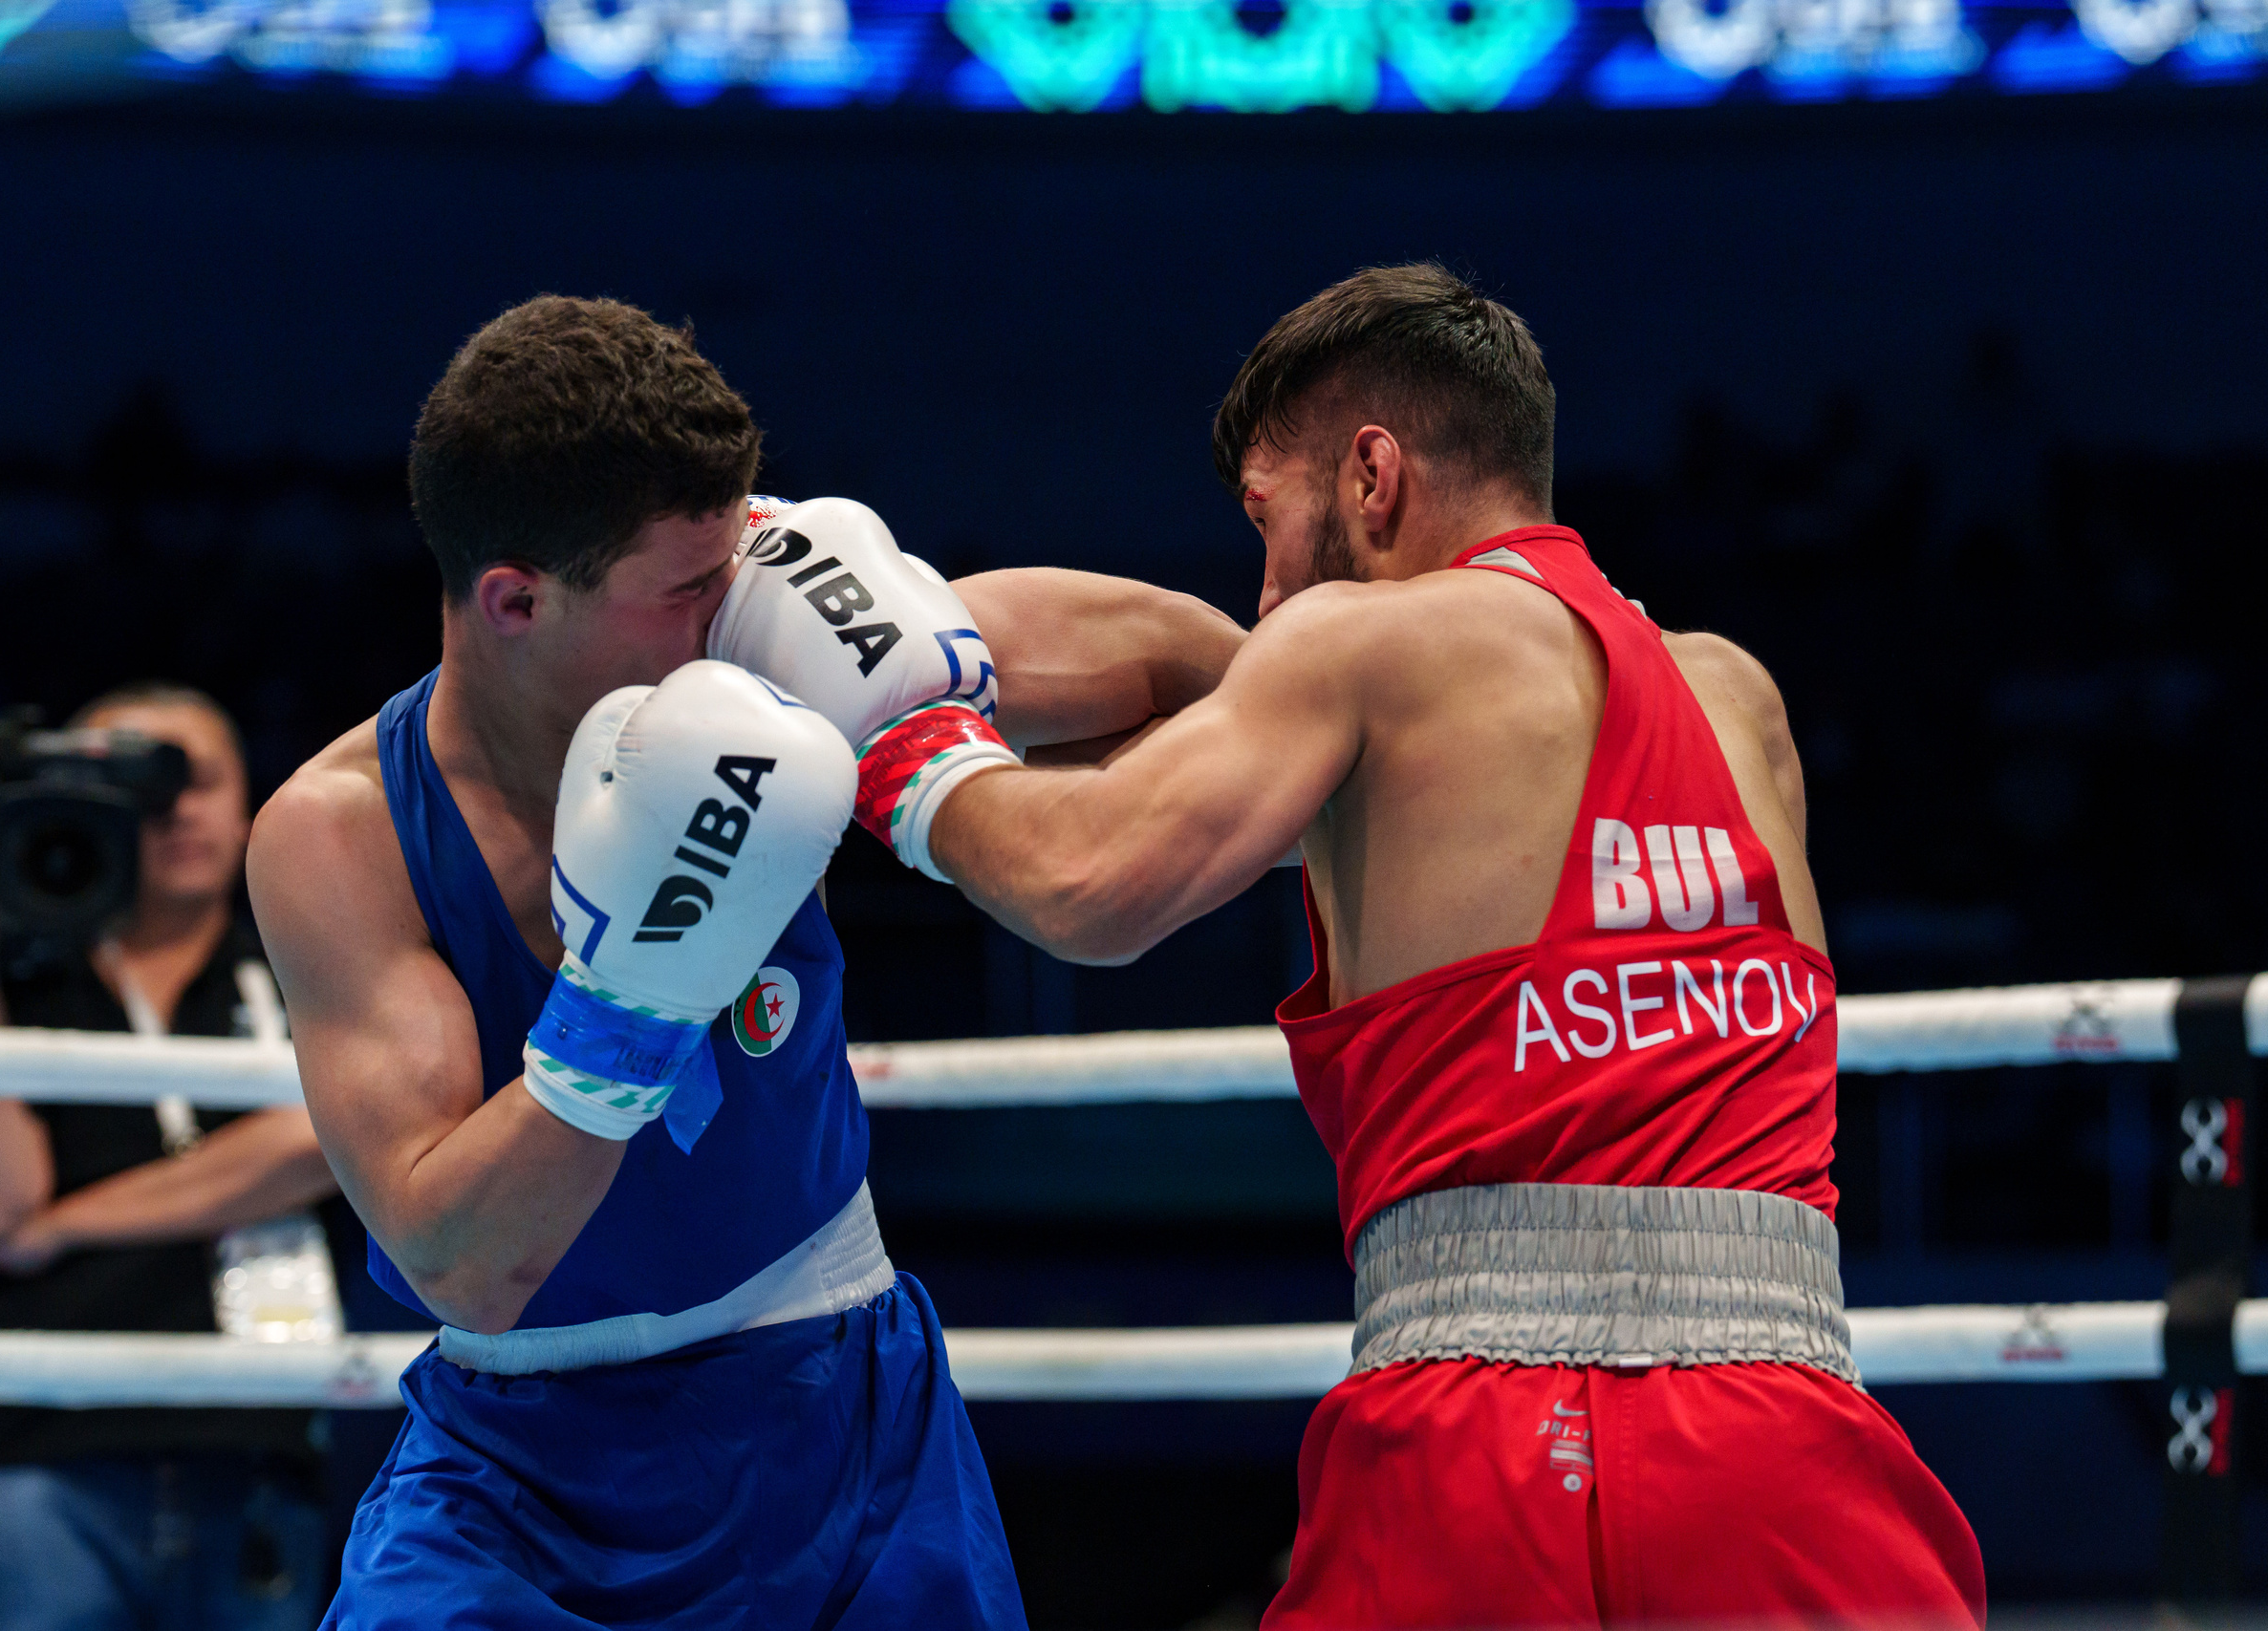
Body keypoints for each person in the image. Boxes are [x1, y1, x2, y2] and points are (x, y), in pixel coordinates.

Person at [739, 264, 1987, 1627]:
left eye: (1269, 520)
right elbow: (1188, 673)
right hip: (1797, 1436)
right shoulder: (1735, 695)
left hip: (1492, 1433)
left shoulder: (1355, 652)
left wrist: (896, 738)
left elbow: (1088, 877)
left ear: (1373, 474)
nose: (1271, 590)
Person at [245, 294, 1242, 1629]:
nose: (743, 605)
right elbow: (461, 1258)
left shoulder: (768, 638)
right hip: (516, 1482)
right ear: (516, 598)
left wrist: (927, 732)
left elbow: (1204, 679)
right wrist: (636, 993)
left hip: (841, 1418)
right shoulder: (346, 836)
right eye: (691, 585)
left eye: (745, 549)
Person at [0, 681, 343, 1631]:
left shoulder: (314, 959)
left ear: (251, 802)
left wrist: (56, 1227)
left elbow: (324, 1136)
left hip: (254, 1450)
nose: (174, 807)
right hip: (32, 1453)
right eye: (136, 783)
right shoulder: (9, 971)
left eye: (197, 778)